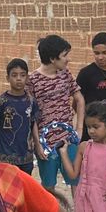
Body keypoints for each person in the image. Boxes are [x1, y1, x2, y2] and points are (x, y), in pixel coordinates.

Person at [26, 34, 84, 202]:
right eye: (65, 55)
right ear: (52, 58)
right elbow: (31, 115)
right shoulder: (33, 80)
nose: (68, 59)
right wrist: (37, 143)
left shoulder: (66, 75)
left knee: (75, 179)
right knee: (48, 185)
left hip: (68, 139)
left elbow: (80, 100)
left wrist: (79, 129)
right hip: (46, 142)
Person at [0, 59, 39, 173]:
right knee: (7, 183)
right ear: (7, 78)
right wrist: (1, 149)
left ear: (27, 78)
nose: (18, 78)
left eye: (22, 75)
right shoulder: (0, 102)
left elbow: (33, 123)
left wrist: (36, 144)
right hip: (6, 156)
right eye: (14, 75)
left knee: (24, 182)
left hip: (26, 156)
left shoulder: (31, 101)